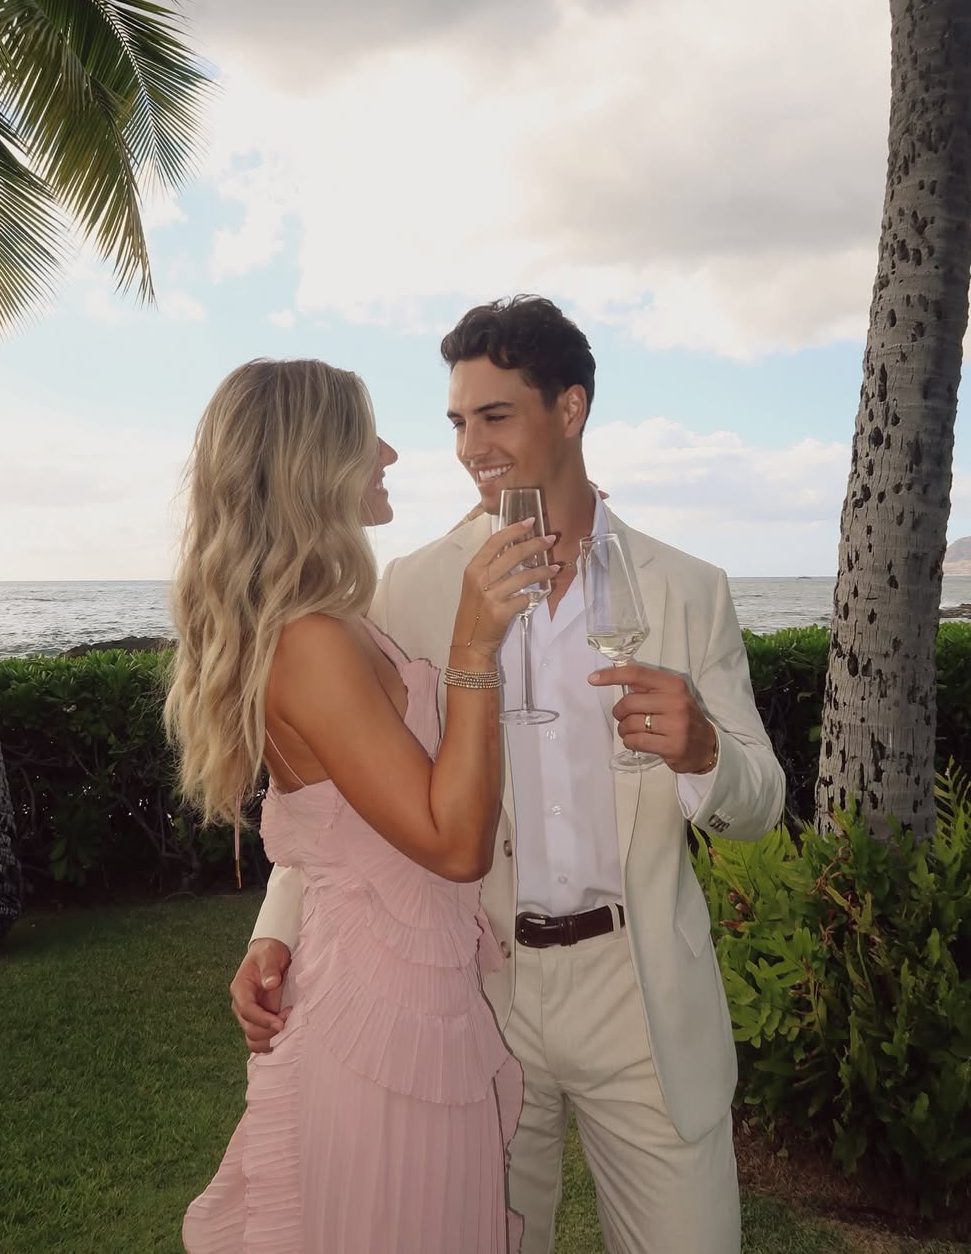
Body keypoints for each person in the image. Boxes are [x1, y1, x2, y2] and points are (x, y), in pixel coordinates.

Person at [234, 298, 787, 1254]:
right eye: (457, 420)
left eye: (495, 416)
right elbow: (357, 789)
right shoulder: (408, 586)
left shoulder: (688, 587)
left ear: (569, 408)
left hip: (638, 993)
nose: (468, 447)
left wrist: (705, 756)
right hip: (476, 987)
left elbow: (763, 802)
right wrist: (275, 929)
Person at [166, 357, 551, 1254]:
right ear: (311, 463)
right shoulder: (309, 642)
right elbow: (454, 843)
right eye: (361, 436)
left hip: (411, 1003)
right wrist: (473, 644)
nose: (387, 451)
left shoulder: (328, 620)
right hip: (382, 1022)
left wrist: (498, 517)